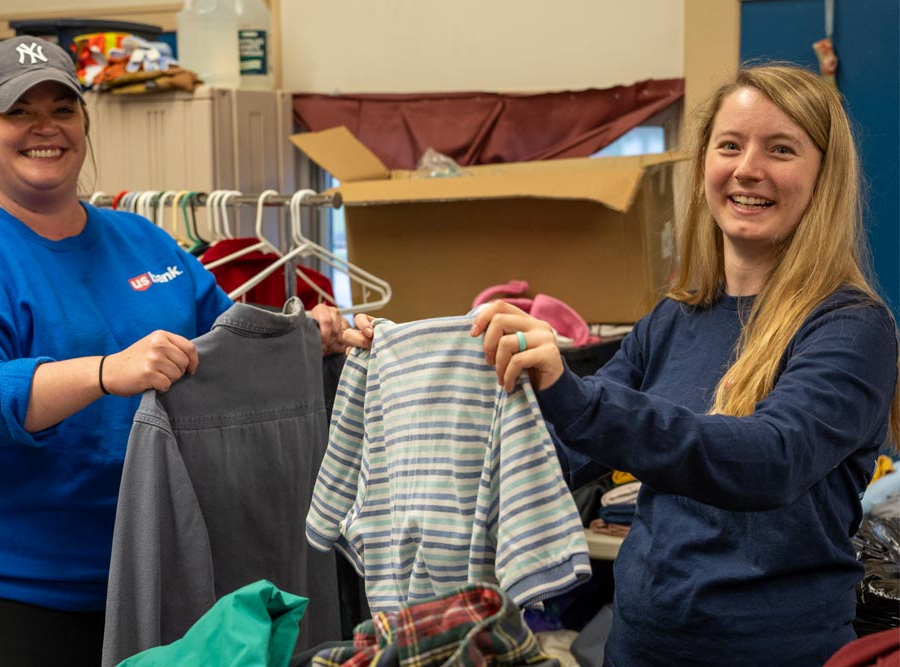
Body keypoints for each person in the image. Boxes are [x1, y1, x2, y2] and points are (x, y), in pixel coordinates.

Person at [345, 64, 900, 666]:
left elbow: (769, 460)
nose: (747, 169)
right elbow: (560, 452)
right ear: (705, 164)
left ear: (825, 176)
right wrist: (422, 377)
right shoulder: (675, 319)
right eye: (730, 146)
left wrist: (570, 391)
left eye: (781, 149)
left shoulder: (852, 327)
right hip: (638, 648)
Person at [0, 35, 349, 666]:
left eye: (62, 108)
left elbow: (225, 349)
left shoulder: (144, 242)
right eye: (19, 112)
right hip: (1, 595)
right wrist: (105, 373)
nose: (44, 128)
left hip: (146, 577)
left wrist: (305, 337)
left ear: (84, 122)